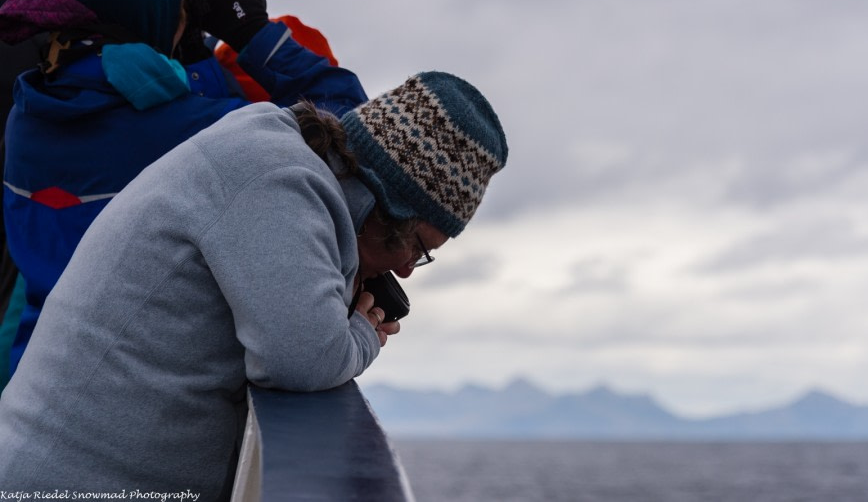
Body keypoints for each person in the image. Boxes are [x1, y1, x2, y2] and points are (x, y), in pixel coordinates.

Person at [0, 71, 508, 497]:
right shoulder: (277, 181)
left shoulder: (274, 150)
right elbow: (304, 359)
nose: (405, 272)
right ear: (385, 203)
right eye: (418, 248)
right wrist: (362, 331)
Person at [0, 0, 367, 377]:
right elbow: (349, 135)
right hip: (128, 407)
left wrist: (178, 43)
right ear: (168, 19)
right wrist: (254, 35)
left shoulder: (28, 113)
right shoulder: (191, 132)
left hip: (29, 379)